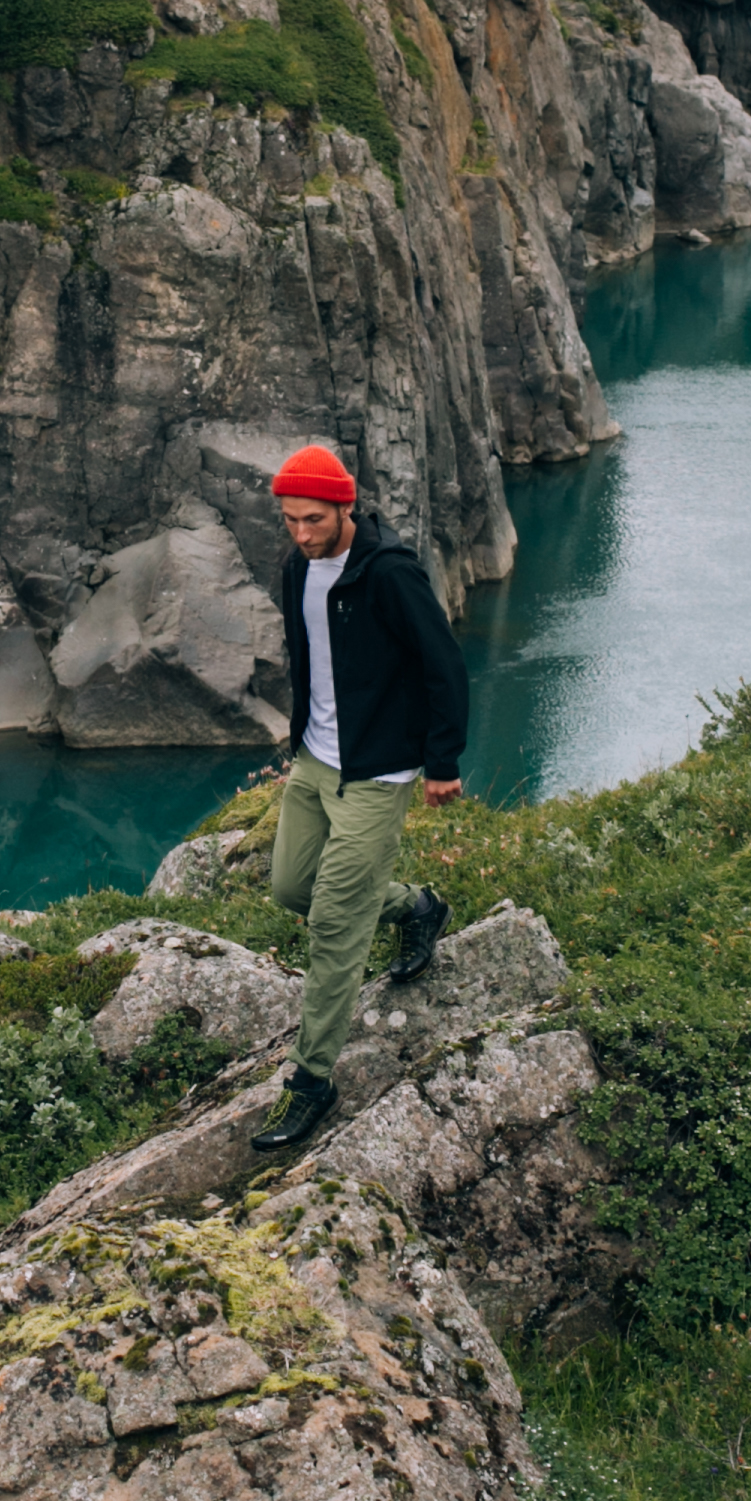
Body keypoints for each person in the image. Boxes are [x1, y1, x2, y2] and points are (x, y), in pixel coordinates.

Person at [246, 442, 464, 1155]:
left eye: (313, 520)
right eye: (290, 522)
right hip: (316, 761)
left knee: (336, 926)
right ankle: (418, 907)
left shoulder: (390, 572)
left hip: (378, 772)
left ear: (346, 506)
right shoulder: (295, 569)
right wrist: (298, 739)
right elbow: (310, 657)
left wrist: (441, 760)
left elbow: (443, 664)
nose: (302, 535)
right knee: (290, 886)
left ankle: (312, 1081)